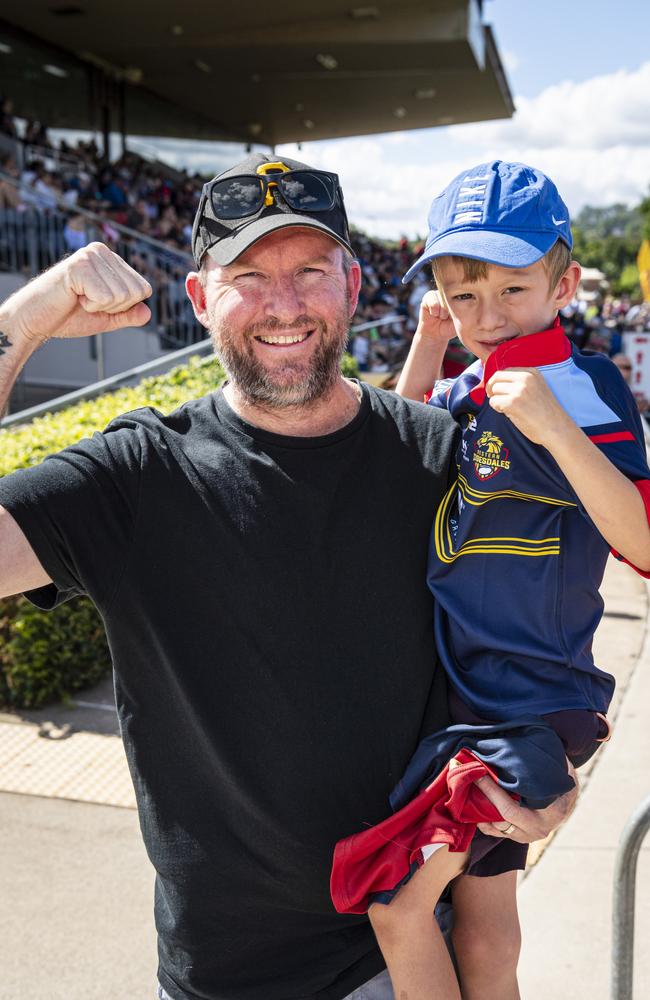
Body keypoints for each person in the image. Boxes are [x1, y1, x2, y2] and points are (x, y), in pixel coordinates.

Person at [0, 153, 575, 1000]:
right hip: (221, 977)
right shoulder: (138, 476)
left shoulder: (443, 453)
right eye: (247, 275)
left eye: (310, 270)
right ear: (199, 298)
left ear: (351, 283)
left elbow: (537, 626)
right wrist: (28, 315)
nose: (284, 304)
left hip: (405, 960)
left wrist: (546, 761)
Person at [341, 161, 650, 1000]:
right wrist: (427, 346)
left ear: (566, 284)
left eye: (512, 290)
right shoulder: (464, 380)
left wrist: (555, 429)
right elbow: (392, 459)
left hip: (522, 704)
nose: (487, 315)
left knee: (399, 910)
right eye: (461, 293)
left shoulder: (586, 390)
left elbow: (643, 542)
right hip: (461, 694)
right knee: (482, 923)